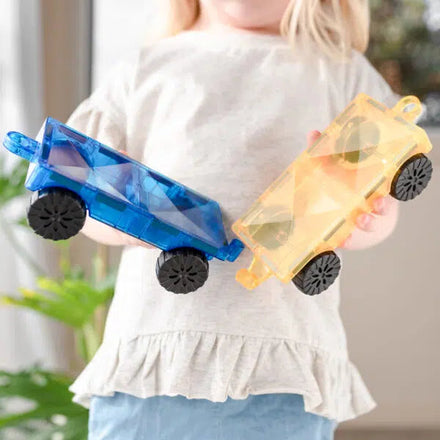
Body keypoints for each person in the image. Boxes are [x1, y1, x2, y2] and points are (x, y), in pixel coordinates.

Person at [67, 1, 400, 438]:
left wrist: (367, 221)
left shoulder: (340, 70)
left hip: (283, 367)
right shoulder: (145, 67)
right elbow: (79, 190)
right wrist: (130, 221)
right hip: (155, 360)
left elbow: (384, 192)